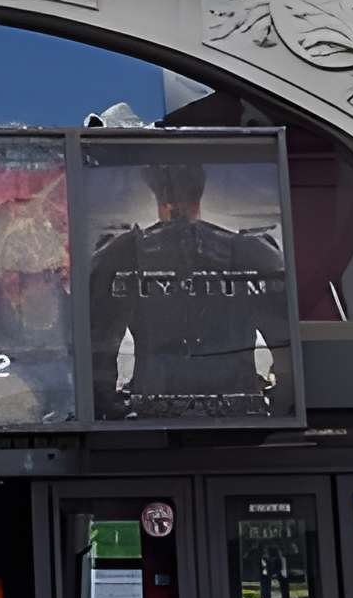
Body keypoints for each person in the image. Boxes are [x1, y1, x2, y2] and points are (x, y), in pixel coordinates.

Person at [86, 154, 290, 417]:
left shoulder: (123, 253)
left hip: (154, 414)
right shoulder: (251, 251)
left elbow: (100, 350)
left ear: (157, 194)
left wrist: (108, 409)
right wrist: (282, 403)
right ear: (200, 192)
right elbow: (285, 349)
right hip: (237, 415)